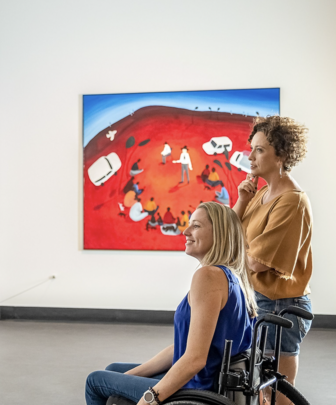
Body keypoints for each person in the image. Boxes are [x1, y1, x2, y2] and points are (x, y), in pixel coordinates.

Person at [85, 203, 257, 405]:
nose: (186, 231)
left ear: (219, 234)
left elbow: (195, 360)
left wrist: (150, 398)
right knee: (113, 370)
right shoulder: (231, 276)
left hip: (199, 389)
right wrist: (126, 377)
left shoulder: (209, 276)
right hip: (211, 379)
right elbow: (184, 348)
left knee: (95, 381)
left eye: (196, 226)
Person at [233, 116, 312, 404]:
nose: (250, 157)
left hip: (280, 306)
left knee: (278, 396)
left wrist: (235, 251)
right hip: (259, 299)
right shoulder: (264, 192)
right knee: (262, 394)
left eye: (260, 150)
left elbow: (258, 262)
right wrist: (242, 200)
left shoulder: (291, 200)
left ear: (282, 155)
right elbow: (230, 233)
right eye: (251, 148)